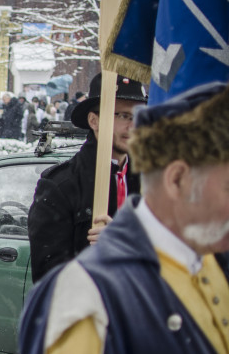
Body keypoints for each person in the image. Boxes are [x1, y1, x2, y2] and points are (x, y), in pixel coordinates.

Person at [10, 81, 229, 354]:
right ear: (178, 178)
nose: (129, 124)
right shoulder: (86, 293)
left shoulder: (211, 264)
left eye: (136, 114)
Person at [27, 74, 147, 282]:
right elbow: (50, 278)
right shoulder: (61, 185)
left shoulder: (152, 183)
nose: (133, 126)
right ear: (94, 120)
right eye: (123, 116)